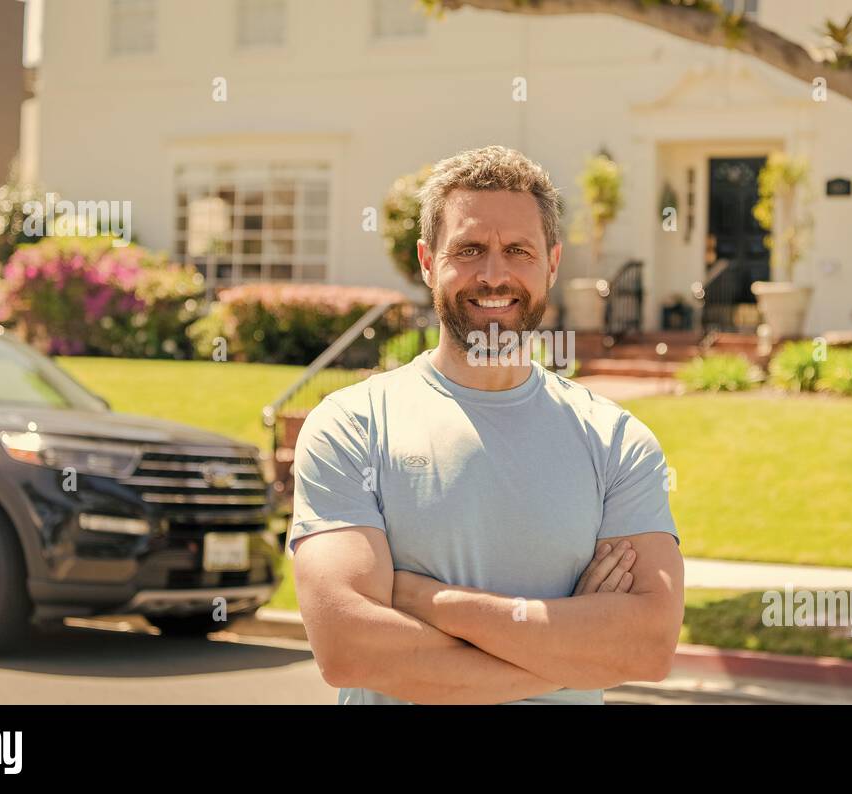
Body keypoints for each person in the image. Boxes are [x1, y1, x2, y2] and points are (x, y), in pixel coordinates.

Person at [288, 145, 684, 704]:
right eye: (469, 249)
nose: (493, 275)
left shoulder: (616, 442)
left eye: (517, 251)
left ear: (551, 262)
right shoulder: (351, 427)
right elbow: (351, 649)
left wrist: (428, 601)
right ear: (428, 263)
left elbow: (646, 648)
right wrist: (576, 657)